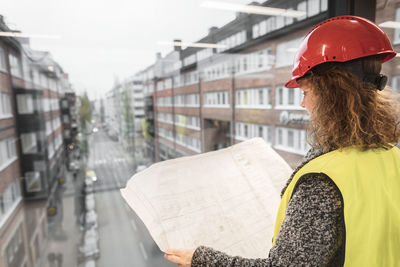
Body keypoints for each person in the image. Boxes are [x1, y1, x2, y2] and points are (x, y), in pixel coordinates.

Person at [164, 15, 400, 267]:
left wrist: (202, 259)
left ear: (332, 94)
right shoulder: (392, 155)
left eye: (306, 92)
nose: (303, 104)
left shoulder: (321, 182)